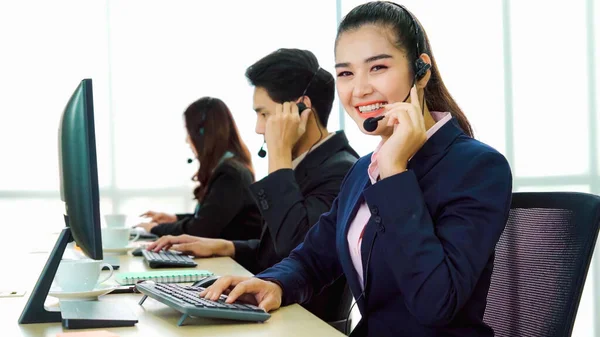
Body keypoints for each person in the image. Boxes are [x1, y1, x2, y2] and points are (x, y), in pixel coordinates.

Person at [195, 3, 513, 337]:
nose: (358, 90)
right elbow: (313, 257)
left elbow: (434, 304)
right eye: (346, 73)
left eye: (377, 67)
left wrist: (394, 172)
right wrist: (272, 283)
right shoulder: (364, 170)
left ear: (421, 71)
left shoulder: (476, 167)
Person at [148, 48, 359, 323]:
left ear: (301, 109)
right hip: (277, 314)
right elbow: (274, 250)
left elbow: (297, 249)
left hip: (308, 322)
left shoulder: (341, 170)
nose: (259, 128)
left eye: (264, 114)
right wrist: (225, 247)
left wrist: (279, 155)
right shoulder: (305, 164)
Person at [135, 97, 262, 241]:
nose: (187, 140)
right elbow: (211, 217)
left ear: (202, 134)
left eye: (188, 132)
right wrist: (174, 219)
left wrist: (155, 229)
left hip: (235, 263)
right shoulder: (229, 167)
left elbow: (200, 230)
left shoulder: (230, 174)